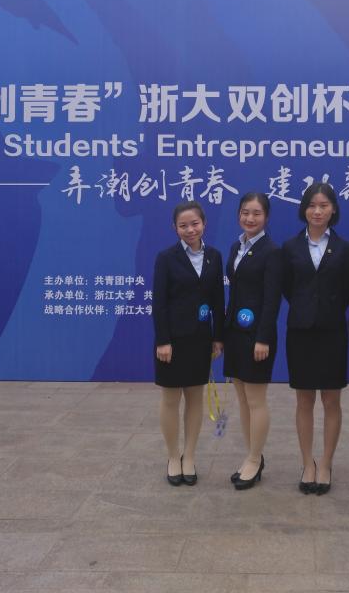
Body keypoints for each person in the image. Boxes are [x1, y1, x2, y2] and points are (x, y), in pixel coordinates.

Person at [281, 182, 349, 495]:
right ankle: (307, 463)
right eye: (312, 205)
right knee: (304, 400)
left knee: (331, 400)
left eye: (324, 205)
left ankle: (325, 463)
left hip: (332, 332)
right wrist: (306, 308)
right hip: (300, 332)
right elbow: (288, 288)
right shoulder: (290, 247)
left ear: (333, 209)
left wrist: (326, 309)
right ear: (304, 209)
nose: (317, 211)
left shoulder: (345, 248)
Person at [152, 200, 225, 486]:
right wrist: (163, 341)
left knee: (195, 398)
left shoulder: (214, 257)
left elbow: (218, 299)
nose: (190, 229)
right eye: (183, 225)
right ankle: (173, 456)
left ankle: (190, 456)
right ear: (175, 228)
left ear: (203, 223)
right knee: (171, 399)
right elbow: (159, 303)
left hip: (200, 339)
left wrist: (218, 336)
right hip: (171, 342)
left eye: (194, 223)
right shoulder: (166, 258)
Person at [224, 192, 281, 490]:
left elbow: (272, 301)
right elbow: (234, 293)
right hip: (235, 334)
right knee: (243, 399)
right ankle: (251, 455)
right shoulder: (237, 246)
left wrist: (263, 338)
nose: (250, 218)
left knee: (256, 400)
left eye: (256, 213)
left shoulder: (272, 252)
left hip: (257, 337)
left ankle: (255, 459)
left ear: (266, 217)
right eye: (245, 212)